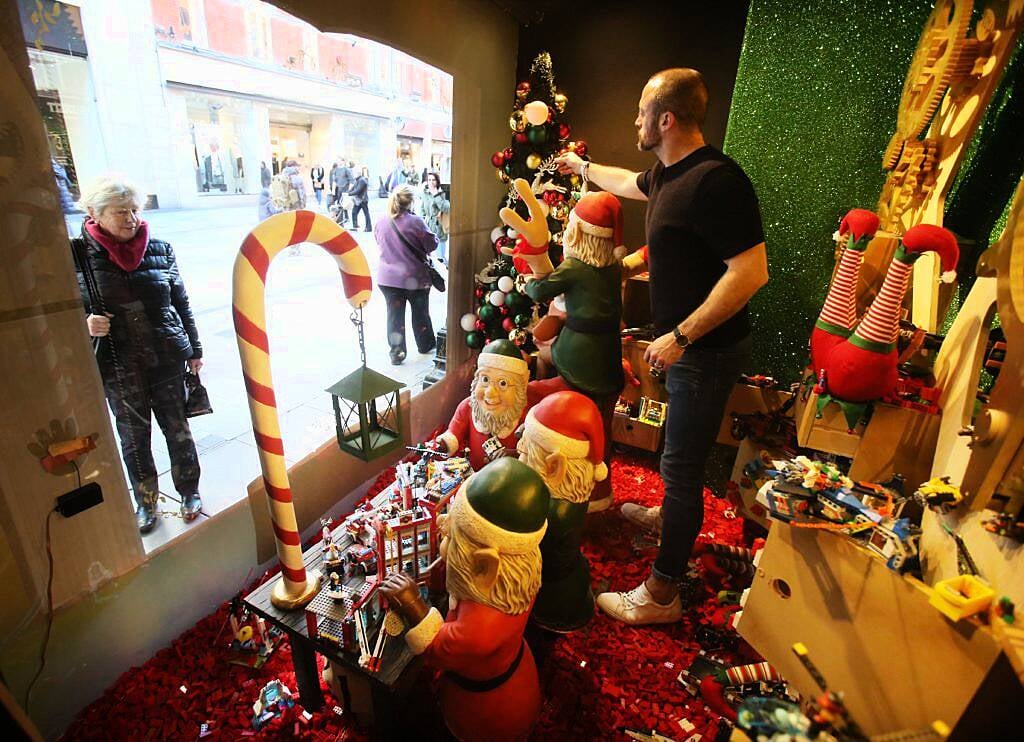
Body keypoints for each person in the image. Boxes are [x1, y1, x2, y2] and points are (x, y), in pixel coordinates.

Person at [555, 68, 769, 625]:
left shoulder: (717, 181)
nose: (634, 120)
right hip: (686, 352)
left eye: (641, 111)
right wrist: (583, 169)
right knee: (676, 453)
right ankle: (670, 518)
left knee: (681, 464)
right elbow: (627, 181)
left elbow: (751, 272)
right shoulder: (668, 174)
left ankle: (662, 593)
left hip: (705, 351)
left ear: (665, 119)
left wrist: (681, 335)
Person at [380, 457, 550, 742]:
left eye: (456, 539)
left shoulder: (481, 626)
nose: (445, 538)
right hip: (514, 669)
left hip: (486, 712)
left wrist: (413, 605)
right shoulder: (519, 564)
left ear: (484, 565)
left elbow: (436, 651)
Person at [72, 175, 204, 533]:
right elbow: (58, 313)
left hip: (165, 355)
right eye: (120, 212)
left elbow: (180, 302)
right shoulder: (76, 256)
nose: (130, 218)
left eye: (133, 210)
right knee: (133, 437)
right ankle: (145, 503)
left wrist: (194, 348)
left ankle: (190, 490)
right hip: (118, 362)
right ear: (94, 214)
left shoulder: (159, 248)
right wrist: (84, 322)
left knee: (177, 429)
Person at [373, 184, 437, 364]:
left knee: (394, 317)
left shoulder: (381, 221)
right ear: (411, 202)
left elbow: (379, 242)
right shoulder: (416, 222)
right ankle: (425, 345)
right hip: (414, 279)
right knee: (420, 314)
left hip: (387, 280)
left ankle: (397, 353)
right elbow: (432, 245)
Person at [421, 172, 451, 264]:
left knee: (440, 257)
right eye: (429, 180)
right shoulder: (425, 193)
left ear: (437, 181)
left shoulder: (441, 193)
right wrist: (423, 219)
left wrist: (436, 194)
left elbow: (447, 208)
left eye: (433, 180)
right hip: (428, 227)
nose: (431, 182)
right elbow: (422, 208)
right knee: (431, 256)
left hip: (439, 228)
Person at [349, 166, 371, 231]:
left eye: (354, 173)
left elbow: (358, 190)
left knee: (366, 214)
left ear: (358, 173)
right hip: (358, 200)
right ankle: (355, 226)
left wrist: (349, 194)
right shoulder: (357, 180)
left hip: (363, 200)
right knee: (354, 212)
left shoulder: (362, 180)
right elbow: (353, 188)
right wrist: (348, 192)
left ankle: (368, 227)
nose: (353, 175)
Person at [331, 157, 353, 223]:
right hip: (339, 189)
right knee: (339, 204)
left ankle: (346, 217)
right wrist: (333, 190)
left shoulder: (346, 170)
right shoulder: (336, 170)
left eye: (339, 161)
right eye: (337, 161)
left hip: (345, 189)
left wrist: (349, 190)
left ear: (343, 162)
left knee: (344, 204)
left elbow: (352, 180)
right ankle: (341, 218)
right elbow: (334, 181)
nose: (338, 162)